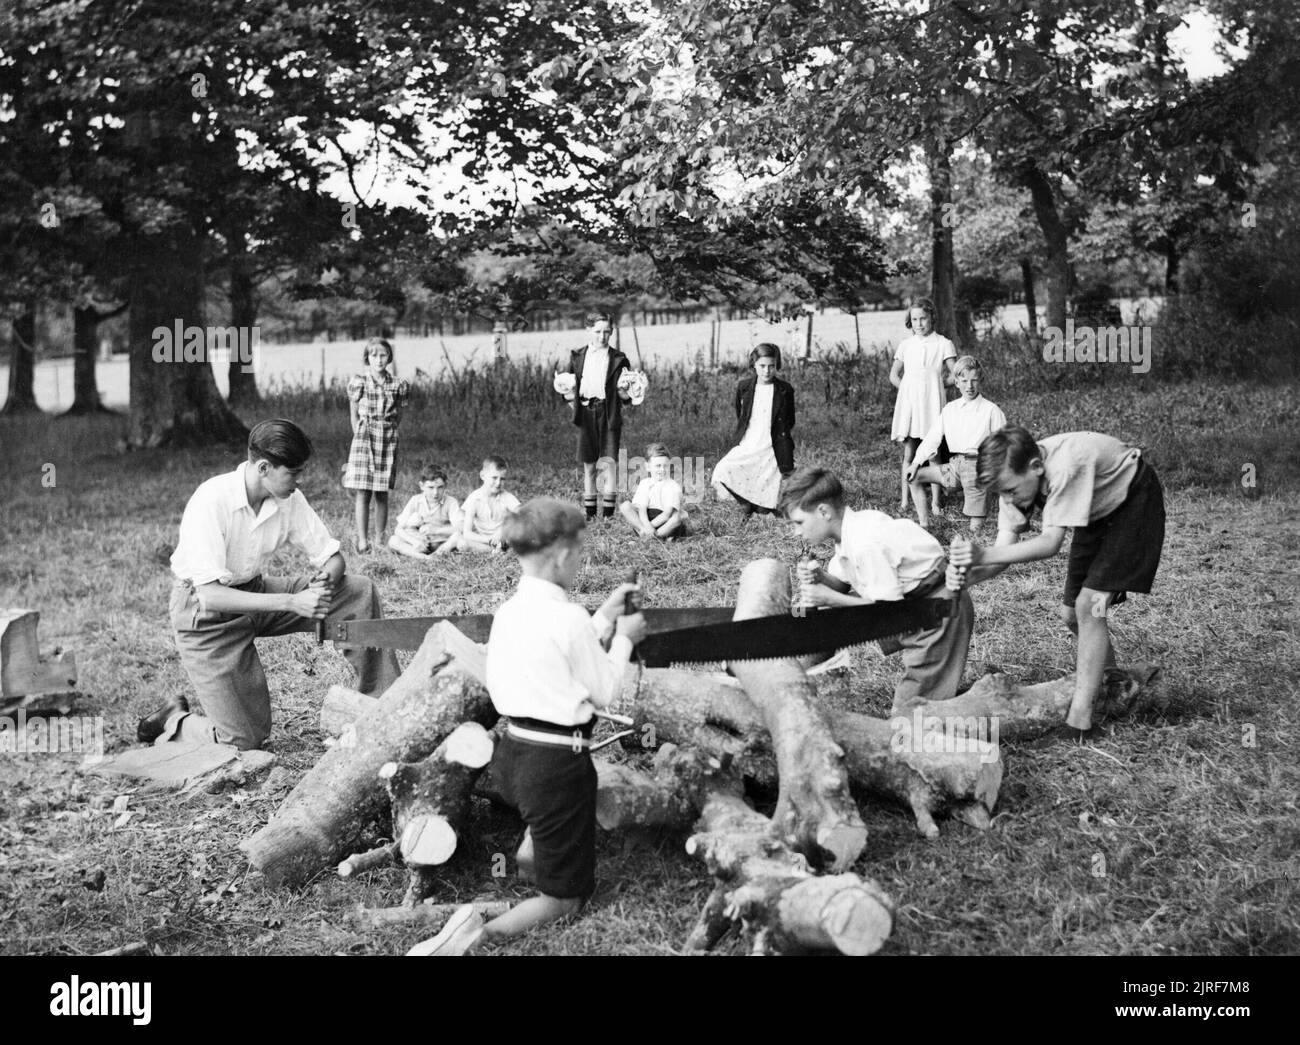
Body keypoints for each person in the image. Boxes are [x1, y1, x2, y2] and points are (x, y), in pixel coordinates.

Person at [408, 498, 646, 956]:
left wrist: (603, 617)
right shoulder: (568, 618)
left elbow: (552, 655)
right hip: (556, 764)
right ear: (560, 554)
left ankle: (529, 853)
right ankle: (475, 939)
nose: (579, 561)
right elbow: (608, 692)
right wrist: (624, 641)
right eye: (578, 552)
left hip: (513, 754)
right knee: (567, 898)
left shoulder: (510, 612)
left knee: (550, 817)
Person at [145, 419, 400, 751]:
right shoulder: (211, 500)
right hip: (206, 619)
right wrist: (293, 602)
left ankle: (385, 704)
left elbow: (332, 557)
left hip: (254, 591)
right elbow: (209, 595)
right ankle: (173, 721)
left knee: (357, 592)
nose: (298, 481)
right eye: (293, 473)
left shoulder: (287, 497)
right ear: (263, 467)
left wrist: (323, 584)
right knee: (243, 740)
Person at [948, 427, 1165, 732]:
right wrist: (964, 577)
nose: (1007, 499)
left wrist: (981, 555)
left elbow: (1050, 543)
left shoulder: (1066, 467)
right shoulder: (1013, 479)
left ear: (1036, 468)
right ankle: (1117, 689)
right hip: (1095, 511)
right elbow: (1002, 555)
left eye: (1010, 491)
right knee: (1072, 615)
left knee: (1090, 606)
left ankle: (1080, 720)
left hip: (1133, 498)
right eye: (1001, 494)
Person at [781, 467, 973, 712]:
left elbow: (889, 611)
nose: (797, 532)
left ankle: (980, 708)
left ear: (823, 512)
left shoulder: (865, 543)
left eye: (799, 522)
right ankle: (806, 681)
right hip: (908, 602)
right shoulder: (849, 532)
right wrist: (821, 579)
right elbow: (841, 584)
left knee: (912, 714)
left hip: (937, 612)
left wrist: (830, 597)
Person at [905, 355, 1007, 531]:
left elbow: (1005, 443)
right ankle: (925, 526)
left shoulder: (991, 410)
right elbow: (932, 439)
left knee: (975, 530)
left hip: (978, 467)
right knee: (913, 477)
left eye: (974, 380)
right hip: (955, 467)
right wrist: (915, 463)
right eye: (964, 380)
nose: (969, 386)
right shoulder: (950, 409)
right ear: (956, 382)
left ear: (980, 381)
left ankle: (976, 534)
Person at [559, 311, 633, 520]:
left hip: (608, 413)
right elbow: (566, 387)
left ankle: (608, 516)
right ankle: (590, 515)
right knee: (589, 465)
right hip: (586, 412)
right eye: (598, 331)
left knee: (609, 464)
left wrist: (627, 391)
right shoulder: (577, 356)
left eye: (607, 332)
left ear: (612, 332)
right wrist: (574, 404)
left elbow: (626, 395)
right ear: (588, 330)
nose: (602, 337)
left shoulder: (619, 359)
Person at [712, 342, 796, 517]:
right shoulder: (744, 387)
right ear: (754, 365)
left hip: (773, 446)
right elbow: (741, 415)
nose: (767, 371)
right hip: (749, 441)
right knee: (722, 470)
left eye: (771, 366)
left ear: (777, 365)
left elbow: (790, 420)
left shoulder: (784, 390)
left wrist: (778, 439)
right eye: (762, 366)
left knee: (766, 503)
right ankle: (746, 502)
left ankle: (761, 506)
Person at [890, 299, 957, 518]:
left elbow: (956, 374)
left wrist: (937, 387)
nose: (919, 323)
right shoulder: (906, 345)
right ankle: (904, 499)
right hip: (911, 405)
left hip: (932, 405)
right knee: (909, 452)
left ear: (932, 318)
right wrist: (907, 390)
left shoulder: (943, 343)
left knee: (934, 452)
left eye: (923, 318)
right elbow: (894, 375)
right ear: (910, 321)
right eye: (915, 319)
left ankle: (936, 502)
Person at [343, 338, 411, 552]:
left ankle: (380, 540)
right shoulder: (359, 382)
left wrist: (388, 430)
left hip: (387, 439)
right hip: (364, 438)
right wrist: (360, 434)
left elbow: (399, 413)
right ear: (367, 358)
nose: (379, 360)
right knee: (363, 491)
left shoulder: (398, 384)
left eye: (383, 355)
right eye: (374, 355)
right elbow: (353, 414)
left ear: (389, 357)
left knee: (382, 492)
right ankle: (363, 541)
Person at [438, 456, 520, 554]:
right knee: (462, 542)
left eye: (502, 479)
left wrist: (502, 530)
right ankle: (434, 556)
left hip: (504, 540)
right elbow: (467, 533)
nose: (498, 483)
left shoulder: (506, 496)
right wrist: (489, 540)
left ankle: (502, 550)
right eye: (494, 478)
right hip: (485, 541)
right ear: (482, 475)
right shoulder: (474, 499)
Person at [387, 464, 462, 559]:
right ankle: (424, 558)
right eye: (431, 488)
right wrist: (414, 542)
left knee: (458, 537)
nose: (435, 493)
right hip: (420, 543)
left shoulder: (451, 502)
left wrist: (436, 530)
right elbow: (398, 529)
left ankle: (437, 555)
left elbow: (460, 528)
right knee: (393, 540)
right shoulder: (415, 500)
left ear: (445, 486)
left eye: (440, 487)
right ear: (422, 486)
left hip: (441, 543)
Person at [620, 443, 688, 540]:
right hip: (646, 521)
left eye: (665, 466)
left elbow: (666, 514)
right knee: (625, 506)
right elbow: (642, 510)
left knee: (676, 518)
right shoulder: (645, 483)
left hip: (664, 523)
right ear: (648, 466)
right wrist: (646, 526)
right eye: (658, 466)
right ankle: (648, 534)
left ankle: (653, 536)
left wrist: (650, 527)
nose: (662, 469)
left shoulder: (673, 486)